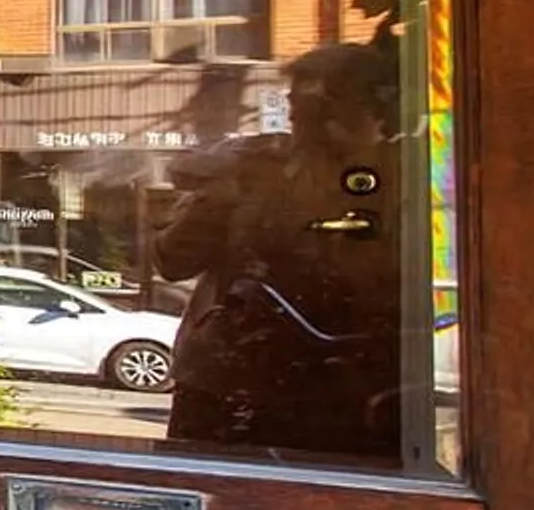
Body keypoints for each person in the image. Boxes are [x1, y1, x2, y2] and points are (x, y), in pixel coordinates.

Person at [158, 38, 403, 459]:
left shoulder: (399, 178)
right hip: (230, 382)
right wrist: (224, 192)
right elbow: (173, 258)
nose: (306, 122)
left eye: (327, 107)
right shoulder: (259, 169)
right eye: (298, 108)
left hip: (350, 391)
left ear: (375, 111)